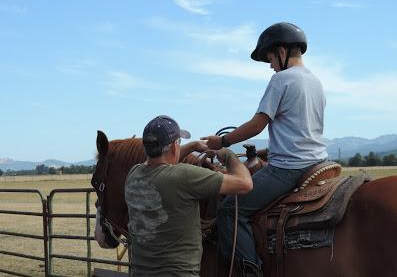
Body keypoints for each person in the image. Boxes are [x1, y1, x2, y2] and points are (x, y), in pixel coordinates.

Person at [201, 22, 328, 275]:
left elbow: (258, 124)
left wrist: (222, 142)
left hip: (289, 168)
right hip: (319, 163)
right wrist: (265, 152)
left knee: (229, 210)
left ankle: (249, 271)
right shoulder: (315, 81)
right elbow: (299, 130)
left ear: (282, 51)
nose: (270, 64)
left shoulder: (281, 80)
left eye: (270, 57)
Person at [124, 115, 253, 277]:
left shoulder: (134, 174)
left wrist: (192, 146)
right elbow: (245, 183)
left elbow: (159, 161)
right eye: (179, 143)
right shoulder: (184, 176)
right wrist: (227, 154)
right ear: (173, 147)